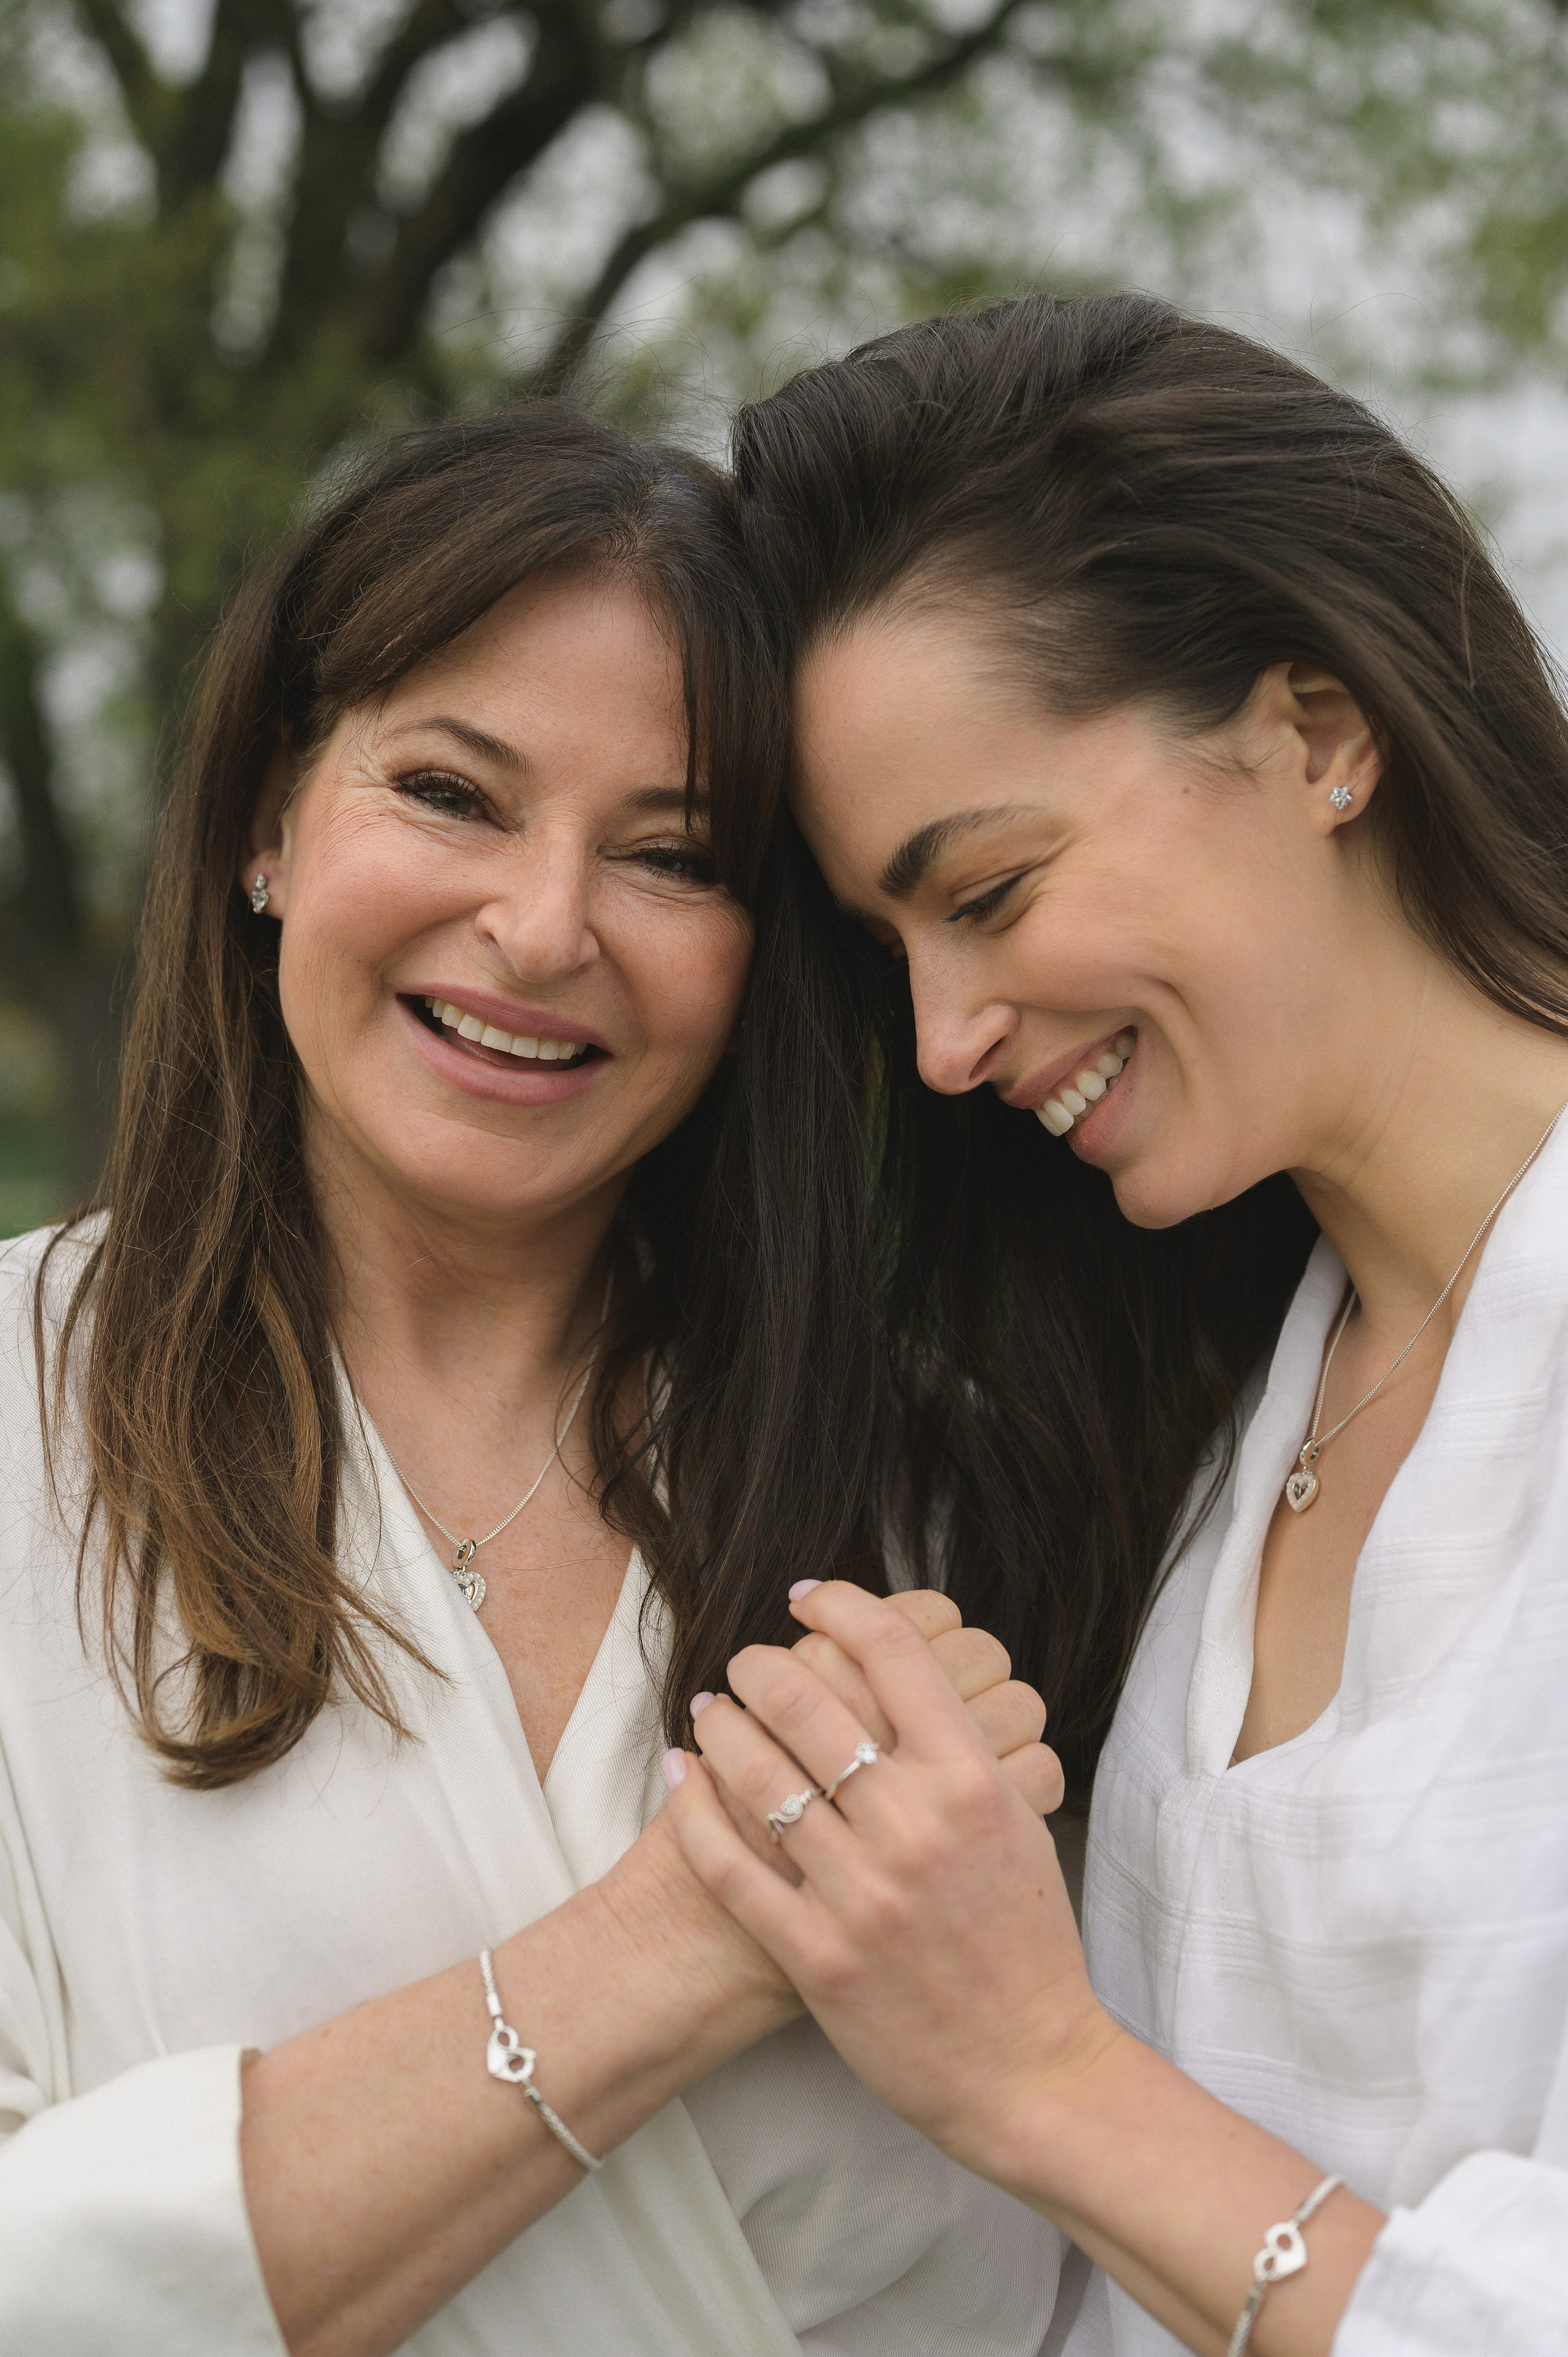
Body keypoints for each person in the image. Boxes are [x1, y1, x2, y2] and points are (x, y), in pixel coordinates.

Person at [0, 405, 1065, 2355]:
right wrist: (674, 1940)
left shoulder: (954, 1491)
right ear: (265, 817)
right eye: (453, 792)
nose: (545, 926)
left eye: (672, 857)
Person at [666, 295, 1568, 2356]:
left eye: (983, 892)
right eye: (886, 947)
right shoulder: (1227, 1412)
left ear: (1320, 734)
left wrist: (1038, 2077)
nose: (943, 1043)